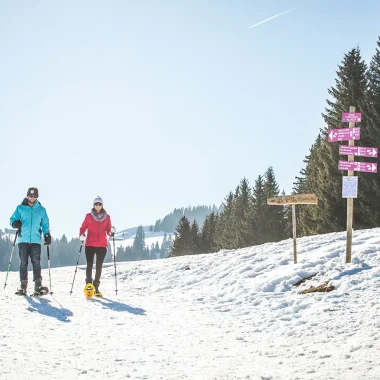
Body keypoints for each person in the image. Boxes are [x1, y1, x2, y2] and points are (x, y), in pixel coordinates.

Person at [10, 187, 51, 295]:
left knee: (36, 262)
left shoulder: (41, 210)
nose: (32, 198)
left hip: (36, 240)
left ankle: (38, 285)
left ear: (37, 197)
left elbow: (45, 224)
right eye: (30, 196)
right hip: (23, 239)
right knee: (23, 263)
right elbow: (12, 219)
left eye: (34, 196)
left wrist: (47, 235)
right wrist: (15, 223)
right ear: (27, 196)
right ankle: (23, 285)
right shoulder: (20, 208)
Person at [79, 196, 116, 297]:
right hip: (90, 244)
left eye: (99, 204)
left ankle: (96, 287)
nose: (98, 206)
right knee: (90, 264)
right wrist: (82, 235)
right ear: (93, 205)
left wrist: (111, 232)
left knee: (99, 266)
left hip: (102, 245)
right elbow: (83, 227)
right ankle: (89, 286)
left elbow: (108, 230)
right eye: (96, 204)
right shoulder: (88, 216)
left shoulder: (107, 217)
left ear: (102, 205)